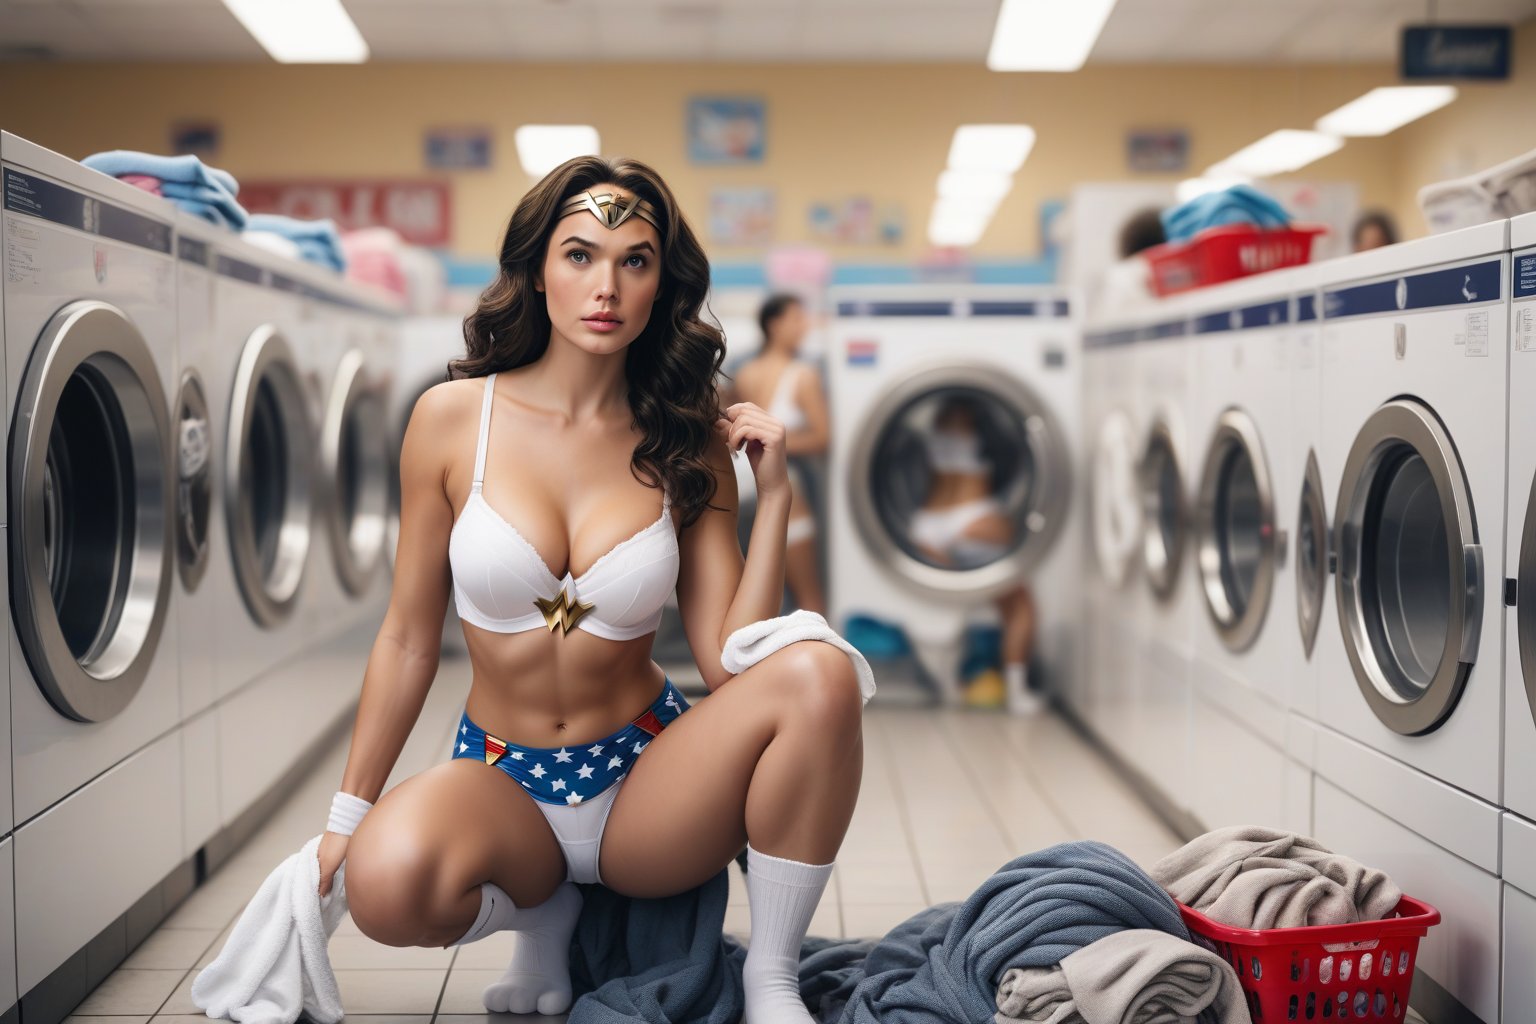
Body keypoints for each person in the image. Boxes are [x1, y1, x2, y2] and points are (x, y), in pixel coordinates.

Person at [317, 157, 864, 1023]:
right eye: (579, 255)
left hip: (647, 788)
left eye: (635, 260)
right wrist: (347, 814)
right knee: (383, 888)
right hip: (503, 785)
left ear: (661, 285)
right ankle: (544, 911)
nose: (605, 285)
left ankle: (773, 976)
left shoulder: (689, 436)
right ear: (538, 270)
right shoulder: (452, 420)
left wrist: (778, 499)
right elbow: (408, 637)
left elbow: (733, 666)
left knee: (821, 671)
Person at [909, 396, 1042, 716]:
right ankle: (1017, 692)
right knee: (1020, 606)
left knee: (948, 603)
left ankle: (948, 685)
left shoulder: (937, 420)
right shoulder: (981, 420)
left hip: (927, 522)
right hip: (973, 520)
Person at [721, 294, 831, 615]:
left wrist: (754, 440)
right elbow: (823, 438)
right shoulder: (804, 375)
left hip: (741, 489)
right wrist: (774, 443)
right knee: (809, 598)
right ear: (774, 324)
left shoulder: (745, 373)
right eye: (797, 318)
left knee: (755, 601)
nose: (805, 326)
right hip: (788, 490)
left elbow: (731, 434)